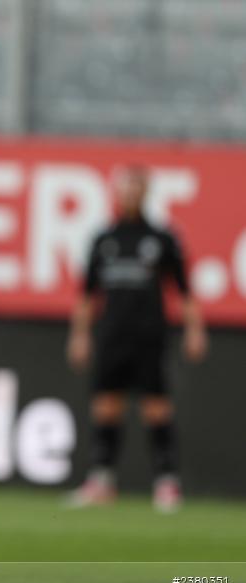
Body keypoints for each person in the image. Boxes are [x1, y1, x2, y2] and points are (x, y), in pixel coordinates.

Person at [66, 165, 207, 513]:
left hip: (148, 335)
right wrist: (80, 335)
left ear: (145, 192)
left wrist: (195, 329)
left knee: (156, 407)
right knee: (105, 407)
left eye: (136, 187)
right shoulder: (104, 239)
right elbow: (87, 296)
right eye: (125, 187)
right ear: (117, 192)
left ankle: (167, 482)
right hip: (112, 334)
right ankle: (101, 480)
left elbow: (185, 291)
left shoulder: (162, 238)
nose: (129, 194)